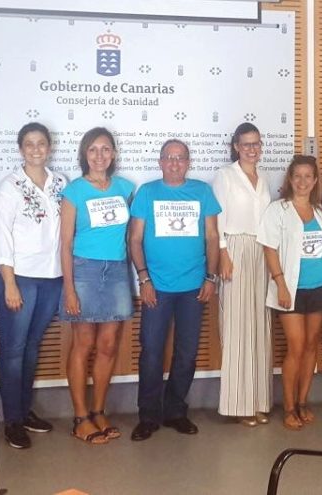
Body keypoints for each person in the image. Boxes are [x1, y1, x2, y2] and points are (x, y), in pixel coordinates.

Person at [128, 140, 220, 441]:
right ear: (160, 162)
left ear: (188, 162)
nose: (175, 163)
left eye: (180, 158)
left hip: (194, 287)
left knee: (187, 353)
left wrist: (210, 278)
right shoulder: (147, 192)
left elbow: (211, 237)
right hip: (157, 287)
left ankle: (176, 411)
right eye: (169, 158)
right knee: (152, 352)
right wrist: (144, 280)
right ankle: (148, 415)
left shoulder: (202, 191)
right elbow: (135, 240)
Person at [0, 123, 67, 449]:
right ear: (21, 149)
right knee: (12, 350)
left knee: (32, 346)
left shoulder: (60, 183)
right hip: (17, 277)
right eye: (29, 144)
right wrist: (9, 283)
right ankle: (12, 420)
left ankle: (23, 410)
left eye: (41, 143)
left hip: (51, 276)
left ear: (49, 147)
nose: (36, 149)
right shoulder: (9, 186)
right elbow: (1, 237)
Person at [59, 127, 135, 445]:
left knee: (107, 345)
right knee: (83, 344)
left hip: (117, 271)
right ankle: (80, 417)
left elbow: (132, 235)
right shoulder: (75, 191)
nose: (99, 155)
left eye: (105, 149)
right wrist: (69, 289)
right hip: (84, 272)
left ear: (114, 153)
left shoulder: (126, 188)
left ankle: (99, 411)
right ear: (84, 154)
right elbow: (64, 244)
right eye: (93, 149)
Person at [258, 155, 322, 430]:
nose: (303, 181)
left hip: (320, 287)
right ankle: (289, 406)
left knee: (312, 344)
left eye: (308, 176)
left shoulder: (320, 213)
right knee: (296, 345)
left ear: (315, 181)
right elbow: (269, 248)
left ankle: (304, 402)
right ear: (290, 179)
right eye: (297, 176)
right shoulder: (277, 210)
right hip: (290, 289)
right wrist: (280, 283)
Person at [212, 123, 274, 426]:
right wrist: (223, 254)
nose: (252, 149)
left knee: (259, 325)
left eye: (256, 144)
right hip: (234, 249)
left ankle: (259, 400)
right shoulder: (225, 176)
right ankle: (238, 405)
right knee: (237, 327)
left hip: (260, 251)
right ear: (236, 146)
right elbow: (217, 220)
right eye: (246, 144)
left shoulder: (264, 179)